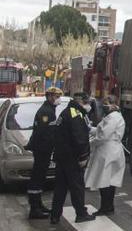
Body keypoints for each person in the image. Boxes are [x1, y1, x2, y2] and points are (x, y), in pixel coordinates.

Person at [49, 92, 94, 224]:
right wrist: (83, 157)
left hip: (62, 157)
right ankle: (81, 214)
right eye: (86, 103)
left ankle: (55, 216)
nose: (88, 105)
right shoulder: (75, 114)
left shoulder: (65, 112)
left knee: (60, 188)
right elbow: (80, 139)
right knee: (77, 187)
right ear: (81, 101)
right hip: (72, 158)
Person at [23, 87, 63, 219]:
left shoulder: (50, 110)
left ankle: (38, 205)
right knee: (37, 177)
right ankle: (34, 208)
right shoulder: (46, 112)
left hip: (44, 149)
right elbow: (41, 132)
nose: (59, 99)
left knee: (40, 177)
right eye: (57, 96)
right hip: (42, 149)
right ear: (50, 96)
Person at [84, 96, 125, 216]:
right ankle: (108, 207)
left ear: (113, 104)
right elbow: (101, 130)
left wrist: (90, 143)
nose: (104, 107)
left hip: (107, 151)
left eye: (106, 104)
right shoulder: (113, 116)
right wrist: (90, 129)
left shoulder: (113, 118)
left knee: (104, 181)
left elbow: (103, 136)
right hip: (111, 150)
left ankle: (105, 208)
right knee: (109, 181)